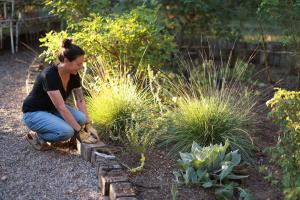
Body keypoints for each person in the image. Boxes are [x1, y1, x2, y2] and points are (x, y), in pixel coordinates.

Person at [22, 38, 99, 151]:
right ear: (67, 60)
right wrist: (80, 132)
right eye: (79, 64)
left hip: (52, 109)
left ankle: (56, 128)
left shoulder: (74, 74)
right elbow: (62, 108)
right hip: (34, 113)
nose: (81, 67)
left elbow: (80, 101)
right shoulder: (49, 76)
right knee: (67, 131)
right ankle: (37, 137)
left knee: (82, 119)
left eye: (82, 63)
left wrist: (88, 125)